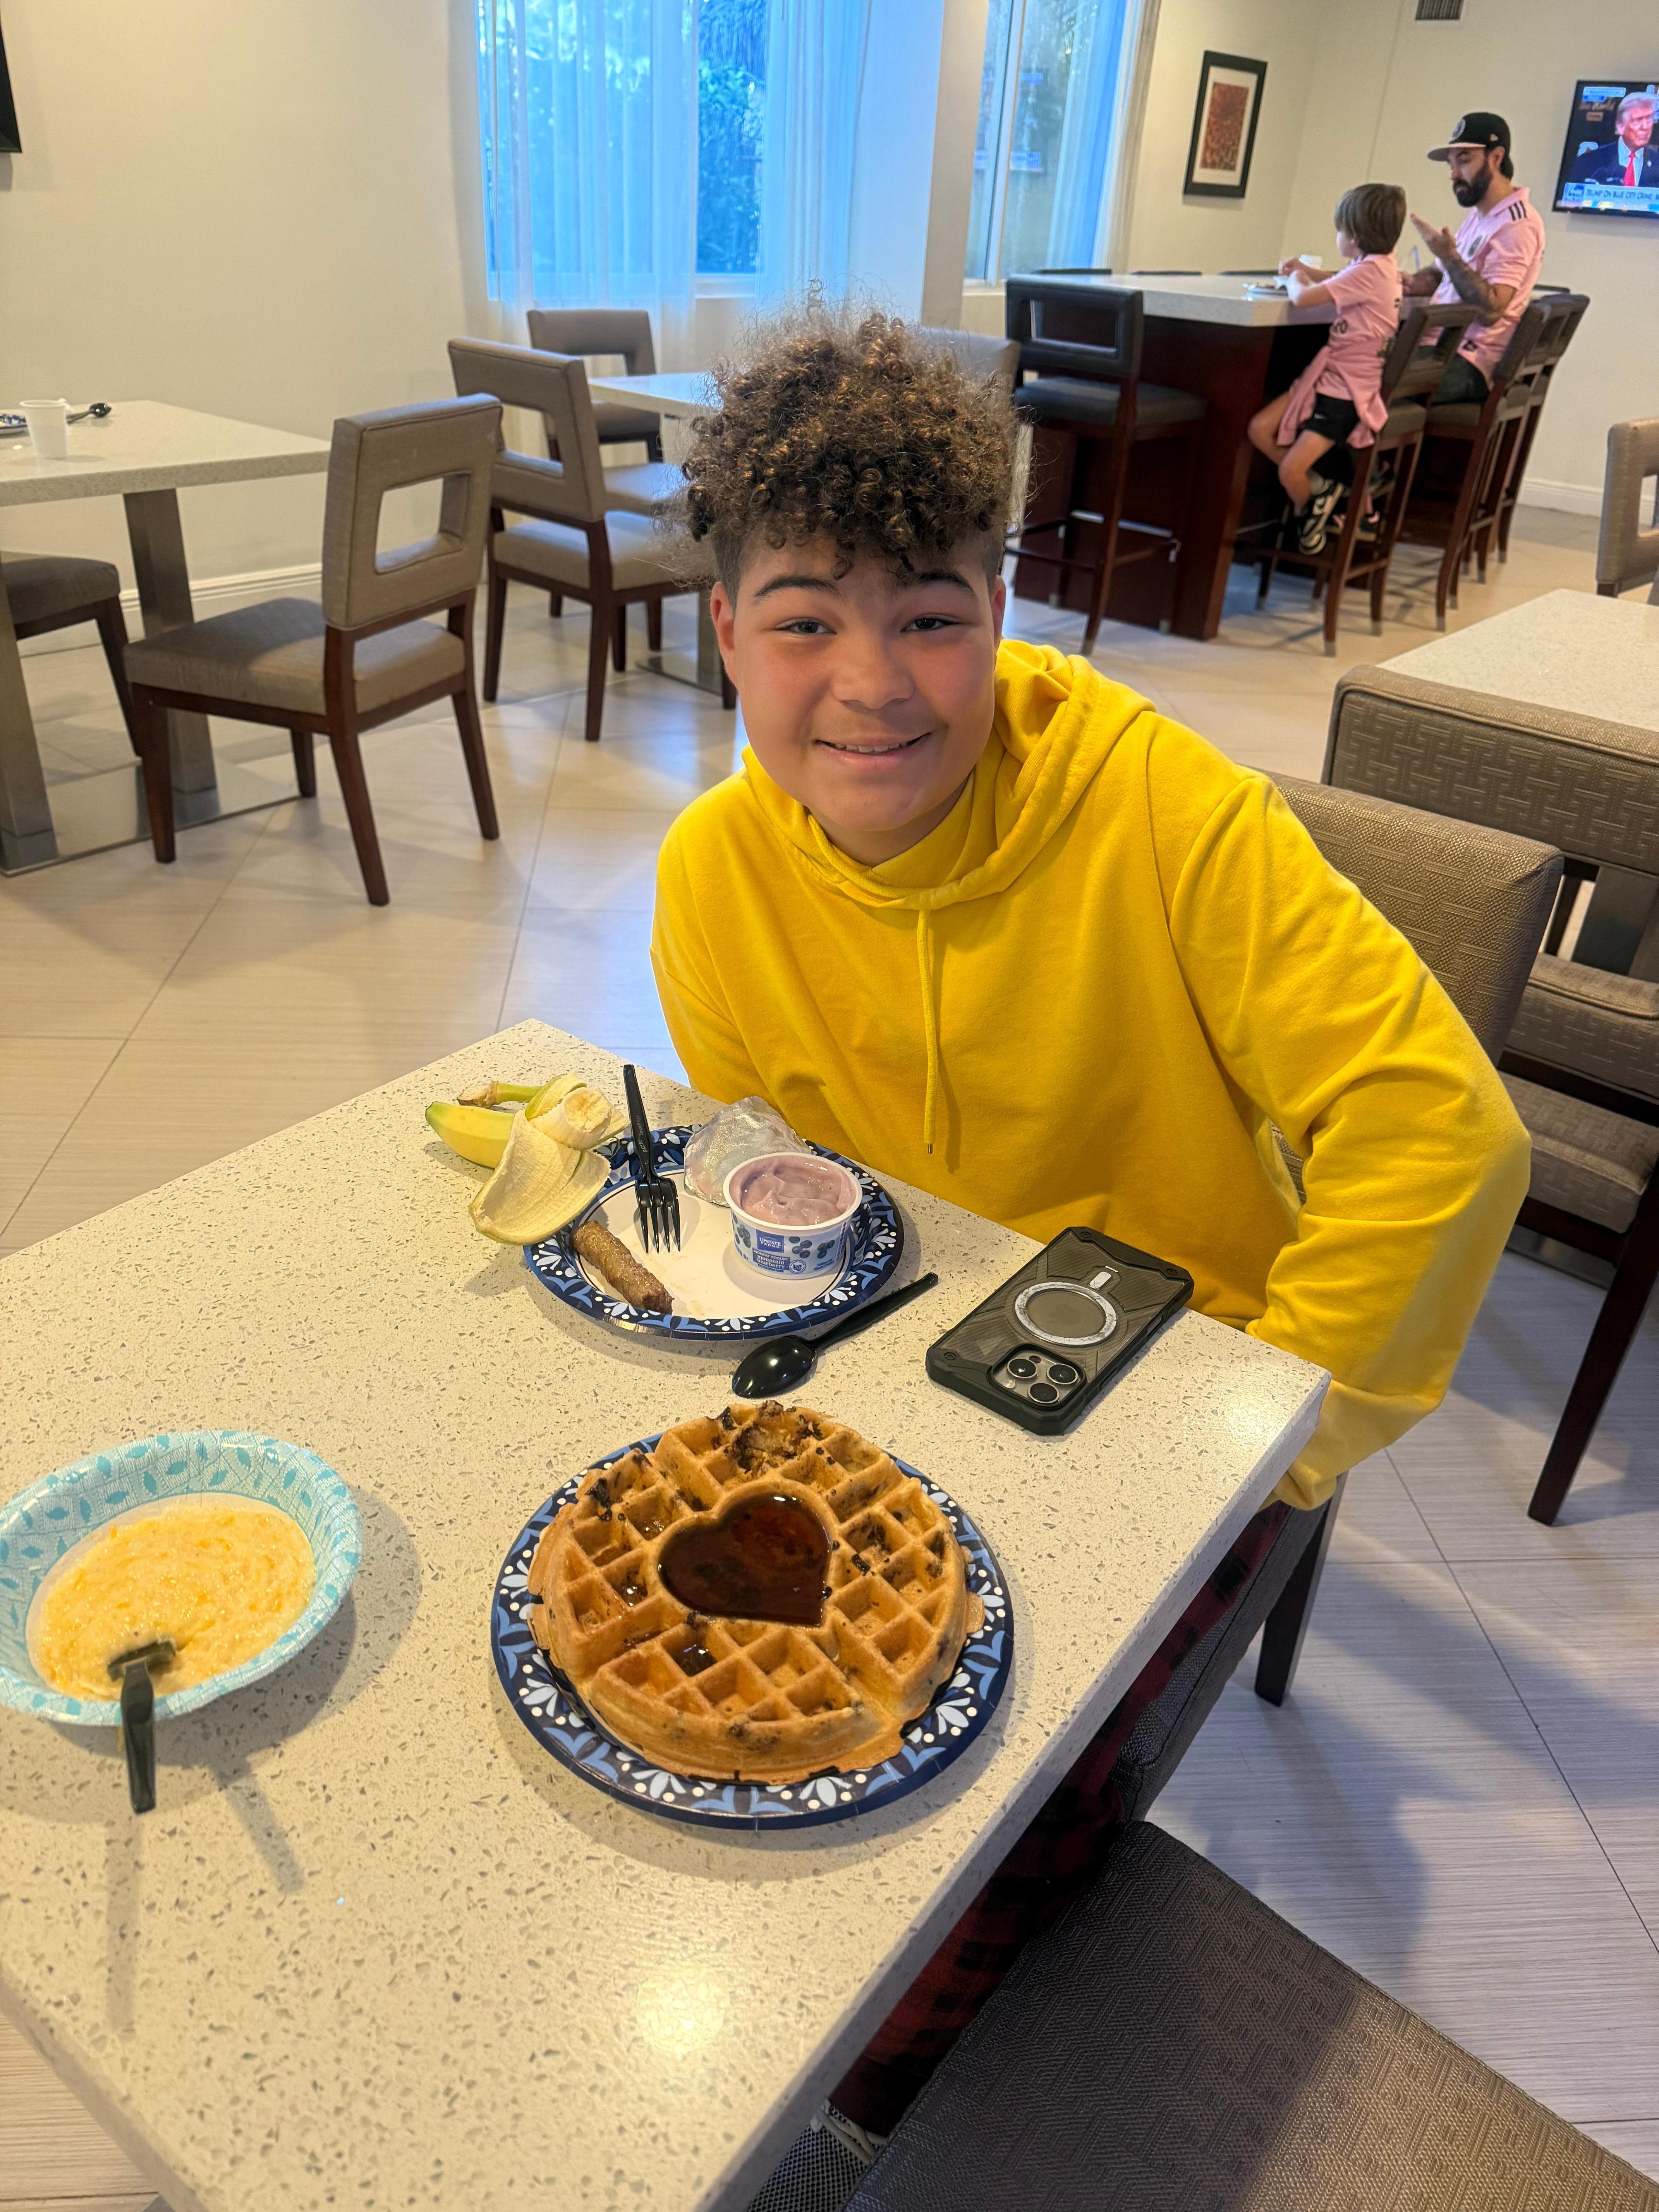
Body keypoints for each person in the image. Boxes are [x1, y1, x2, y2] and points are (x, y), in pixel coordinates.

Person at [652, 309, 1529, 2198]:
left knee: (989, 1804)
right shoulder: (709, 877)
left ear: (1003, 607)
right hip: (907, 1374)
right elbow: (778, 1185)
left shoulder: (1159, 806)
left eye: (929, 614)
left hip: (1188, 1402)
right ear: (723, 630)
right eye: (801, 619)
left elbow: (1443, 1131)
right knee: (707, 1693)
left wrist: (1271, 1445)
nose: (869, 684)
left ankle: (886, 2114)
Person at [1245, 181, 1406, 554]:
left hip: (1344, 394)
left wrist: (1295, 278)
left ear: (1355, 237)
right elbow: (1340, 279)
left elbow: (1302, 299)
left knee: (1290, 471)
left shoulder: (1370, 272)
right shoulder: (1380, 265)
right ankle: (1321, 492)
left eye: (1340, 230)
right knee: (1260, 428)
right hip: (1327, 380)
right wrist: (1307, 270)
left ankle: (1316, 512)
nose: (1338, 237)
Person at [1404, 111, 1546, 407]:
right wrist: (1402, 282)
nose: (1454, 174)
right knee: (1347, 367)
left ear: (1496, 158)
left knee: (1353, 383)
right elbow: (1444, 276)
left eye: (1464, 161)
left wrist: (1449, 256)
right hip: (1440, 348)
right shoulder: (1480, 214)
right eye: (1451, 164)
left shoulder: (1518, 224)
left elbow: (1490, 310)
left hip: (1468, 361)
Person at [1571, 90, 1657, 186]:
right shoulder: (1589, 162)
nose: (1645, 127)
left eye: (1649, 120)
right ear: (1620, 127)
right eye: (1638, 121)